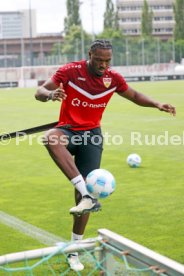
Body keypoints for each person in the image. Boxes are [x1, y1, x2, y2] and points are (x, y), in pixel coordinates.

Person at [35, 39, 176, 271]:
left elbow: (134, 95)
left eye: (107, 60)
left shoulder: (113, 78)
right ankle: (87, 194)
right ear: (90, 54)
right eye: (99, 60)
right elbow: (39, 92)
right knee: (51, 138)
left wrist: (157, 103)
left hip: (92, 136)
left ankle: (74, 250)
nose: (103, 65)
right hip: (68, 130)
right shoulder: (70, 71)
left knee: (83, 200)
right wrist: (50, 95)